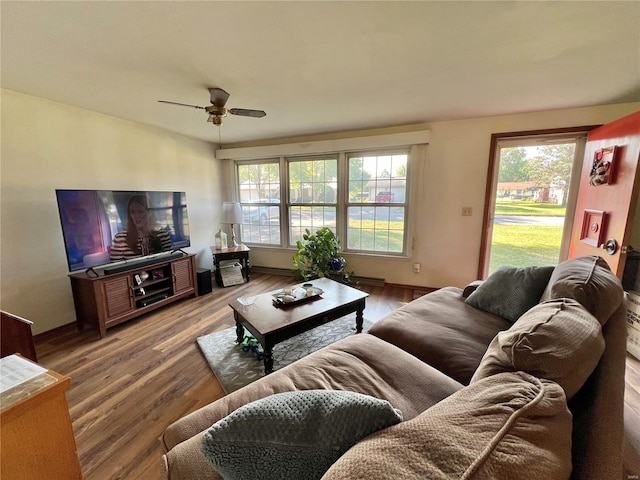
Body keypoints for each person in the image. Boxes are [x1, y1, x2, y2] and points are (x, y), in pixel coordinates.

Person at [109, 195, 173, 260]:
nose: (136, 216)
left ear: (149, 213)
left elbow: (170, 262)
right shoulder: (120, 239)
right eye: (132, 212)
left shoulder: (162, 235)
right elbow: (115, 267)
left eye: (140, 211)